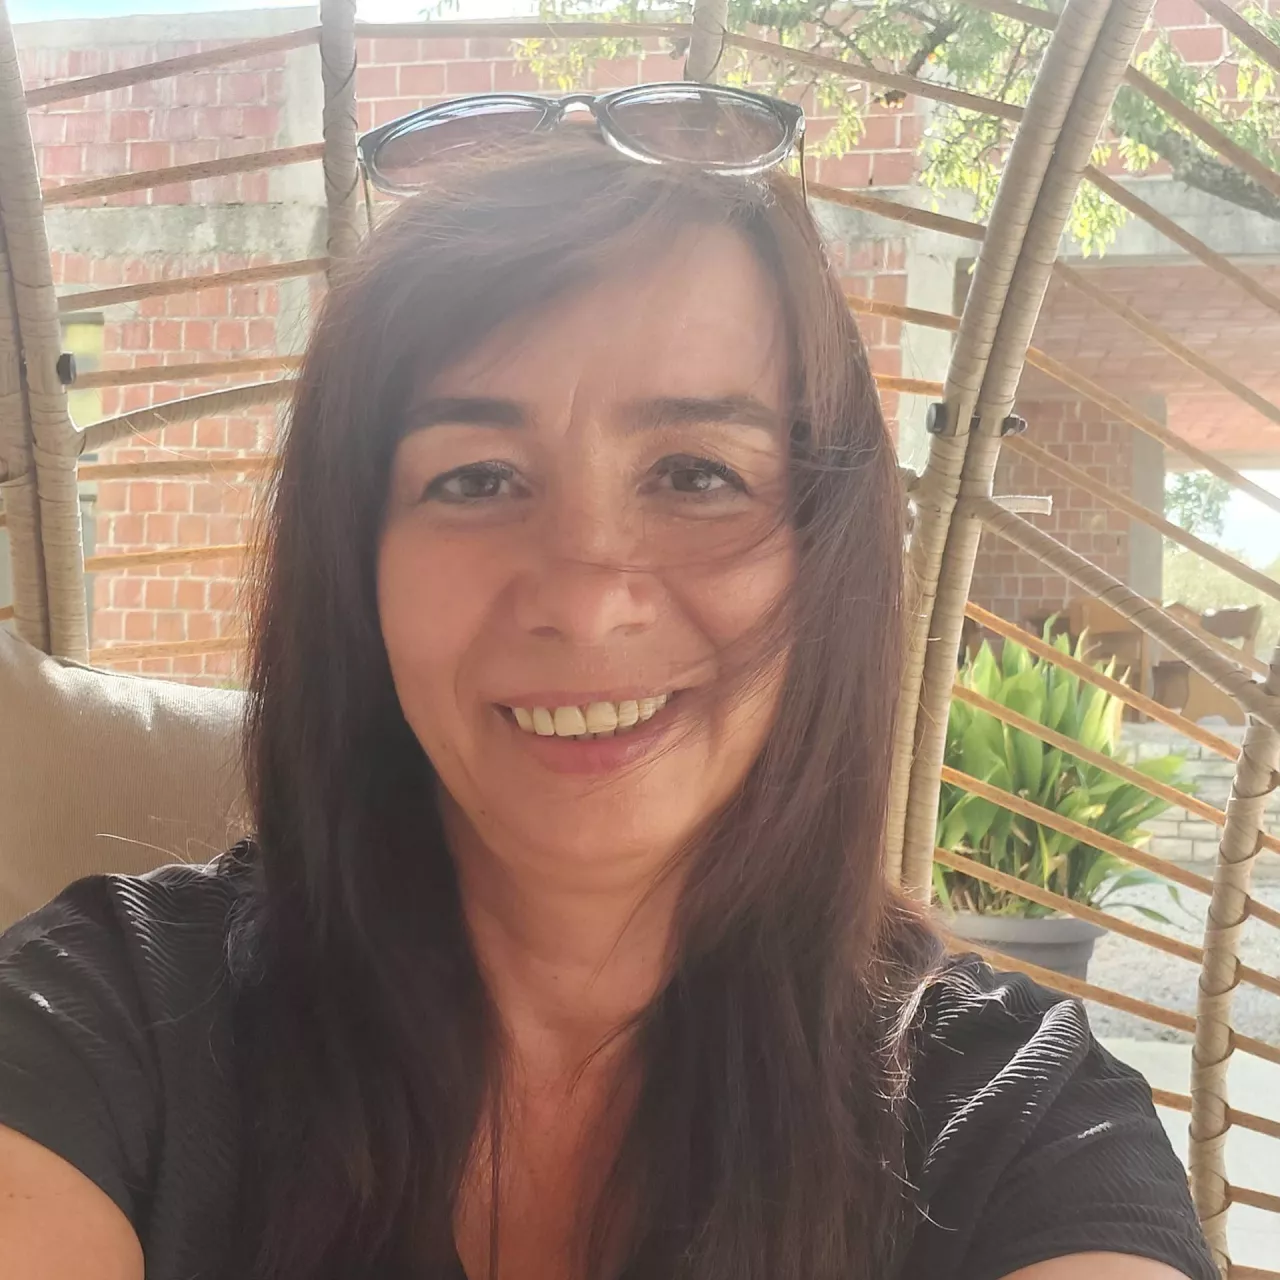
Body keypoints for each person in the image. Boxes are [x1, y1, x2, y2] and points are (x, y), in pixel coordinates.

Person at [0, 85, 1216, 1280]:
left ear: (826, 554)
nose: (584, 599)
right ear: (355, 565)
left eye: (694, 474)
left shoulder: (1018, 1130)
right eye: (475, 478)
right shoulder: (101, 1020)